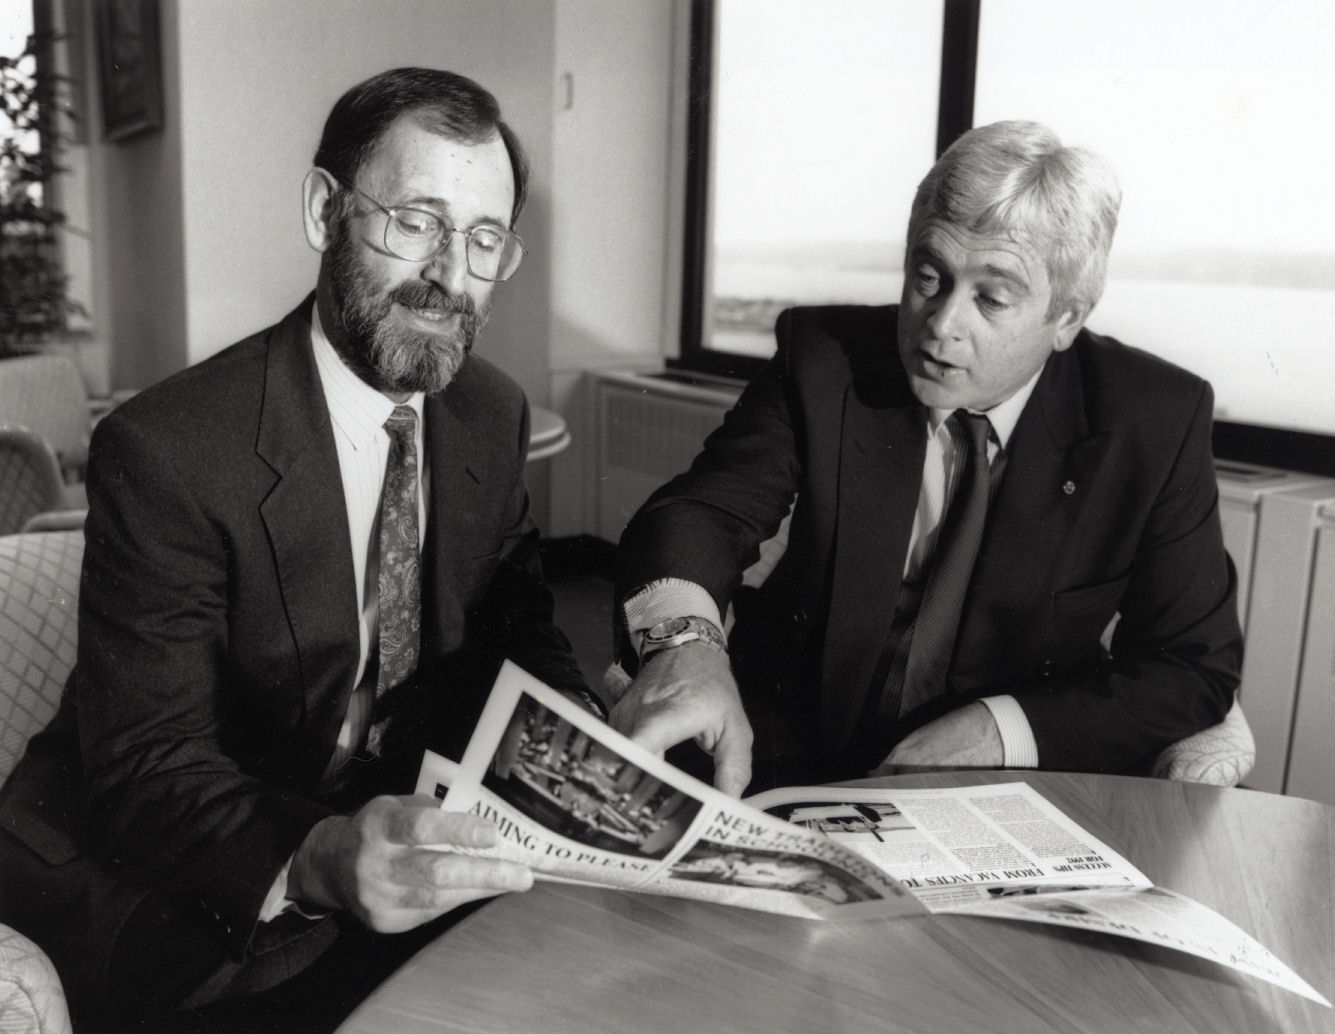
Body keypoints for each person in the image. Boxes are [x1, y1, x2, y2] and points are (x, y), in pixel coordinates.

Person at [0, 67, 600, 1028]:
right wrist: (319, 857)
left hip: (380, 827)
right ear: (326, 211)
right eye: (414, 222)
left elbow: (516, 622)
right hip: (173, 873)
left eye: (483, 239)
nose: (450, 275)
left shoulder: (489, 414)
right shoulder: (171, 450)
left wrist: (586, 742)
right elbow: (149, 766)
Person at [612, 120, 1242, 797]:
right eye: (928, 277)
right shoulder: (826, 358)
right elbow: (700, 513)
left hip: (1005, 781)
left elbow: (1190, 665)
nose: (941, 324)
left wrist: (998, 731)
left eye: (991, 297)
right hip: (787, 742)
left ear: (1066, 316)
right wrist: (688, 647)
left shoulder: (1150, 418)